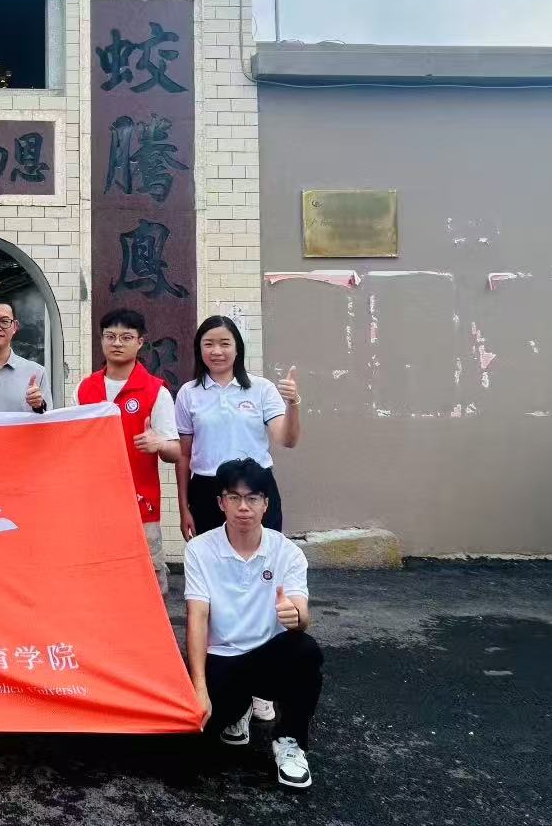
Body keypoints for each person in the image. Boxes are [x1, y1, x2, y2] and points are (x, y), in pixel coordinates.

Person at [183, 457, 322, 789]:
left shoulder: (287, 553)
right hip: (223, 659)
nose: (243, 507)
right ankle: (238, 710)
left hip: (267, 658)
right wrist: (199, 688)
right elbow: (197, 617)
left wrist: (297, 617)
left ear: (265, 504)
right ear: (221, 503)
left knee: (305, 650)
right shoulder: (200, 550)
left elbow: (302, 613)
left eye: (252, 498)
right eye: (234, 497)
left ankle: (289, 741)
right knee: (188, 753)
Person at [75, 308, 179, 594]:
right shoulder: (85, 389)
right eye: (110, 336)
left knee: (147, 588)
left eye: (126, 337)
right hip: (94, 506)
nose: (117, 343)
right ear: (101, 340)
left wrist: (159, 444)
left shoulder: (156, 391)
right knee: (96, 585)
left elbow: (174, 451)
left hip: (141, 507)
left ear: (140, 342)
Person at [174, 315, 300, 540]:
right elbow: (183, 455)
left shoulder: (261, 389)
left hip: (256, 487)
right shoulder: (188, 393)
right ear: (199, 349)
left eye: (225, 344)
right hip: (207, 489)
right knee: (213, 557)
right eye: (208, 344)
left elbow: (287, 439)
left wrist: (293, 404)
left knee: (264, 555)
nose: (217, 351)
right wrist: (184, 508)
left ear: (237, 349)